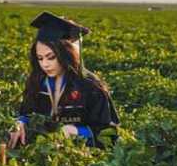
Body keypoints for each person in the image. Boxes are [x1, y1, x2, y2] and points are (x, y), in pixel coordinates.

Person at [7, 11, 119, 149]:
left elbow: (109, 133)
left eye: (51, 57)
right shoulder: (37, 82)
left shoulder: (90, 86)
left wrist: (76, 132)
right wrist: (20, 123)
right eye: (40, 58)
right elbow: (26, 113)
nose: (45, 64)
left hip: (82, 158)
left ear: (66, 54)